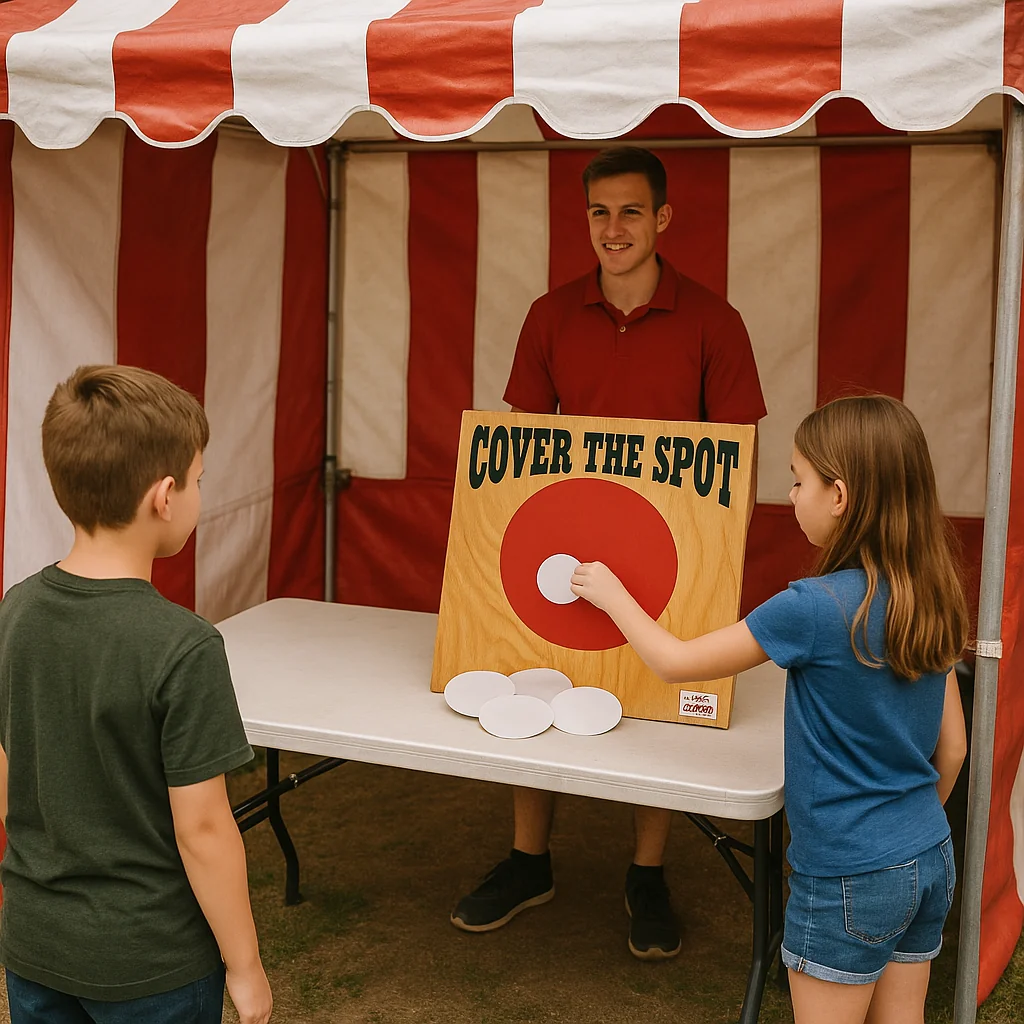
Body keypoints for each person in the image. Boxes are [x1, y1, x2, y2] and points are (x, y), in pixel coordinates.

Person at [450, 146, 767, 959]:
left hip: (669, 549)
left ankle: (646, 872)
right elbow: (516, 447)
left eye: (631, 211)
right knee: (532, 674)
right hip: (565, 541)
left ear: (662, 218)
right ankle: (529, 861)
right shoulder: (550, 314)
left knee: (658, 690)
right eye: (599, 212)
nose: (613, 229)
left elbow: (737, 457)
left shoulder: (714, 319)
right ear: (583, 218)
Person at [570, 394, 968, 1024]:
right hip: (927, 853)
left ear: (838, 496)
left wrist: (612, 593)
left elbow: (675, 662)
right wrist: (905, 834)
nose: (791, 495)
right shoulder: (935, 593)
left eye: (797, 479)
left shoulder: (811, 607)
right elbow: (953, 749)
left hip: (844, 870)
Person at [0, 366, 273, 1024]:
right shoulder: (185, 647)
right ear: (164, 496)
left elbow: (8, 779)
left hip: (35, 948)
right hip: (152, 966)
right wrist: (247, 966)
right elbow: (203, 828)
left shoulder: (16, 610)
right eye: (201, 482)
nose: (202, 496)